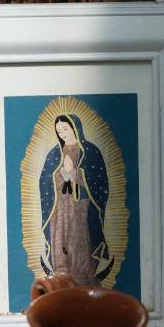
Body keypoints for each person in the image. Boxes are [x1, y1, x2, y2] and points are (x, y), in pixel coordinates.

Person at [38, 114, 113, 285]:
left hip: (82, 207)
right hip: (60, 209)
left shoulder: (90, 151)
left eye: (65, 128)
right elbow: (44, 181)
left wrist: (75, 174)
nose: (62, 133)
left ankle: (84, 278)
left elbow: (99, 181)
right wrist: (60, 175)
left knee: (79, 241)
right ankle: (61, 278)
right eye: (59, 131)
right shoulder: (55, 153)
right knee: (61, 239)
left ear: (74, 127)